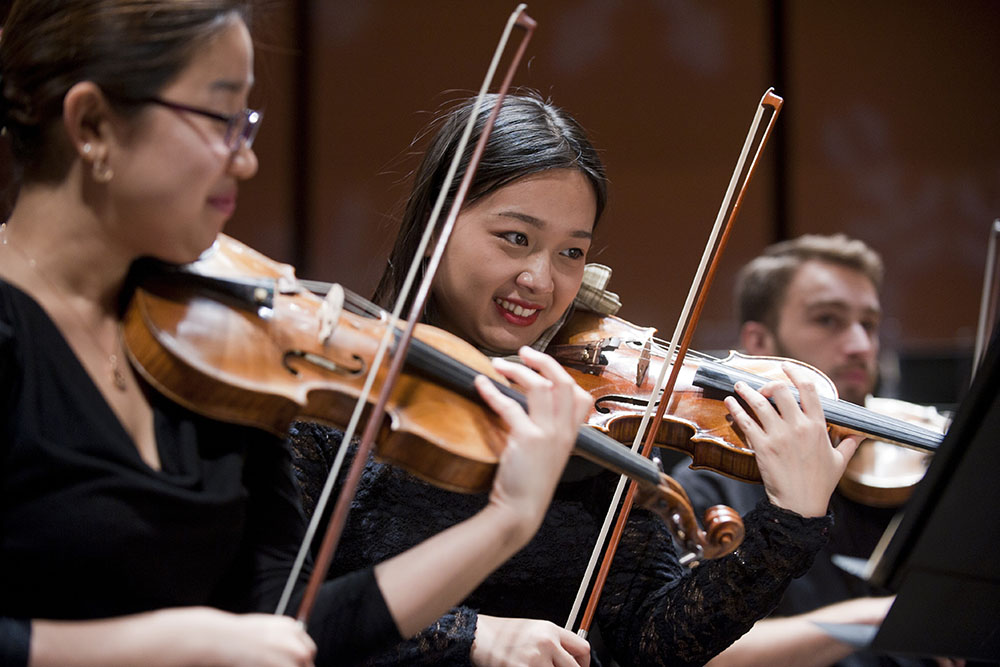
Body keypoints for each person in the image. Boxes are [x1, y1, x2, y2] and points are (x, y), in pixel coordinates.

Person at [0, 3, 594, 666]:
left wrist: (506, 521)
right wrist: (164, 643)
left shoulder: (219, 343)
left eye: (246, 124)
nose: (247, 159)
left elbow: (293, 627)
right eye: (221, 120)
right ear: (92, 124)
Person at [288, 92, 862, 666]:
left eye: (571, 251)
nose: (541, 279)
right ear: (437, 224)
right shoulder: (335, 401)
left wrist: (789, 523)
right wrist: (472, 637)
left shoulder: (589, 421)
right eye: (515, 238)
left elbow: (649, 646)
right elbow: (279, 621)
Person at [670, 234, 950, 667]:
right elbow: (685, 650)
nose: (860, 345)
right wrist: (874, 618)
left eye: (869, 324)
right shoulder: (711, 484)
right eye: (828, 320)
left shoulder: (915, 473)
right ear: (759, 343)